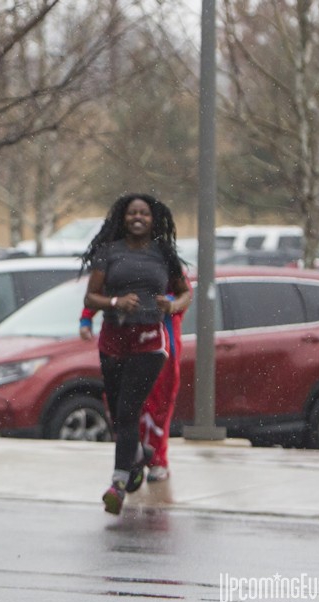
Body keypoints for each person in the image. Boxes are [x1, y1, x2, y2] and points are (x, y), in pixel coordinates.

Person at [80, 193, 191, 515]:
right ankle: (140, 455)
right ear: (123, 218)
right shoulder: (108, 253)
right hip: (113, 339)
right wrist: (115, 302)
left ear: (153, 219)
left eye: (144, 213)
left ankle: (117, 483)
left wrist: (173, 305)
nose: (138, 218)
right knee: (118, 415)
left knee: (128, 411)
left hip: (149, 341)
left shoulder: (164, 254)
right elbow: (90, 297)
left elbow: (185, 293)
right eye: (132, 213)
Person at [78, 277, 190, 483]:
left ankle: (156, 459)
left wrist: (168, 304)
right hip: (124, 341)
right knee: (124, 406)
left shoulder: (164, 263)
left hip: (158, 344)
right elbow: (103, 289)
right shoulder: (117, 262)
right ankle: (133, 456)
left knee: (157, 406)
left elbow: (184, 295)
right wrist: (86, 318)